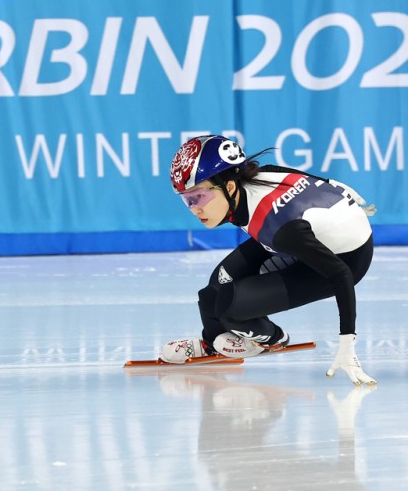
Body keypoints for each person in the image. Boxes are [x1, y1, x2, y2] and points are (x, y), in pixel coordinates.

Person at [161, 134, 377, 385]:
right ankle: (212, 343)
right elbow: (302, 178)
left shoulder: (280, 228)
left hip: (346, 259)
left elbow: (341, 274)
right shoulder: (256, 179)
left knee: (228, 308)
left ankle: (273, 338)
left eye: (198, 197)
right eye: (188, 201)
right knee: (213, 289)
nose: (195, 209)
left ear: (230, 187)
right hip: (309, 235)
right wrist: (336, 188)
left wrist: (347, 344)